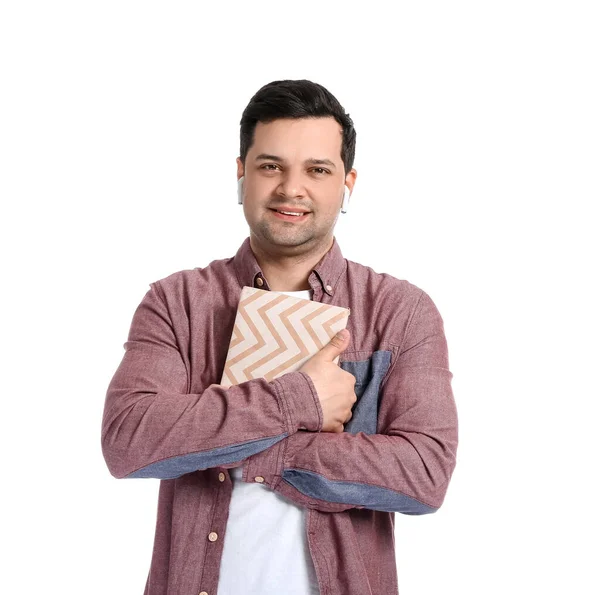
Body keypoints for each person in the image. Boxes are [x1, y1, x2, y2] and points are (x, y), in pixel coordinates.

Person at [101, 79, 459, 595]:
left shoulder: (401, 312)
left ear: (347, 182)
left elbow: (425, 475)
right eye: (271, 166)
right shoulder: (176, 302)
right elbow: (127, 440)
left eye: (317, 169)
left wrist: (255, 447)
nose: (292, 189)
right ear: (242, 173)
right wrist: (299, 401)